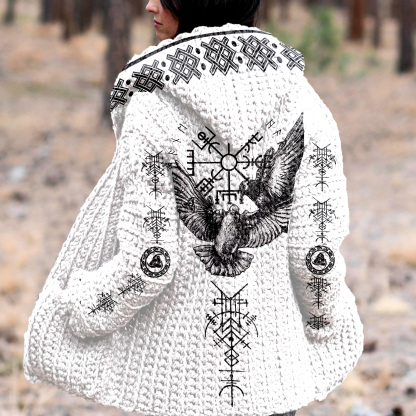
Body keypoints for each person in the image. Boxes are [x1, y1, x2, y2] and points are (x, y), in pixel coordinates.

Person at [23, 1, 364, 416]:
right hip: (273, 384)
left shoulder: (152, 108)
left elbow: (149, 265)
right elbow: (315, 259)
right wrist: (324, 322)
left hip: (178, 386)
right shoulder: (308, 105)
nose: (149, 4)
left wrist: (80, 309)